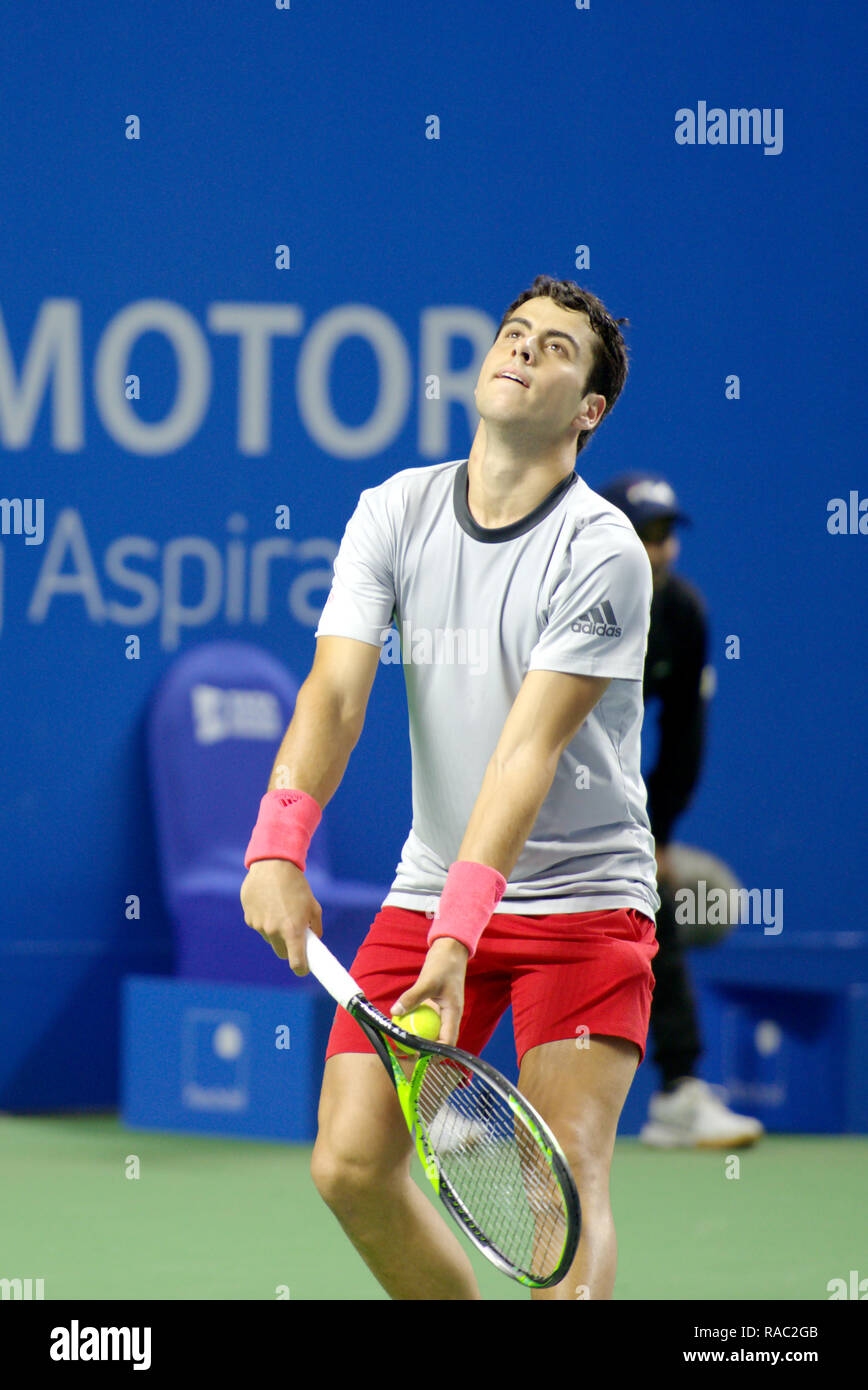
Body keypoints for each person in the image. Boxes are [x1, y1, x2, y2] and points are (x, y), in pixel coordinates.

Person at [241, 274, 660, 1301]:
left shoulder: (602, 552)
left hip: (580, 900)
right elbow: (335, 696)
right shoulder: (393, 510)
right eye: (513, 334)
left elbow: (525, 755)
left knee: (563, 1178)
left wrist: (455, 942)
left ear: (588, 409)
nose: (522, 349)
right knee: (346, 1161)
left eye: (555, 347)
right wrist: (276, 843)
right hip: (433, 883)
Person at [597, 473, 763, 1149]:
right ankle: (452, 1095)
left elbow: (685, 740)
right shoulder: (562, 603)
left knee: (685, 900)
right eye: (644, 535)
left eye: (666, 537)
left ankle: (678, 1095)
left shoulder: (683, 615)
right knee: (485, 914)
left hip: (617, 811)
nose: (659, 551)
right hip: (523, 798)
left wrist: (653, 836)